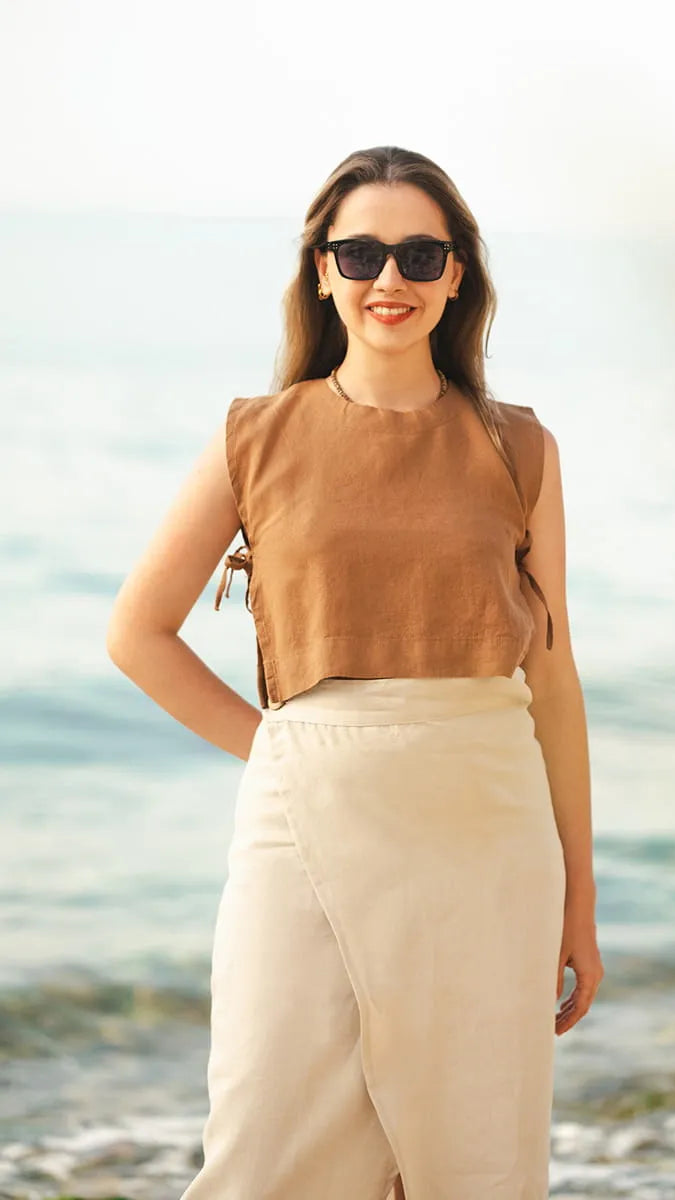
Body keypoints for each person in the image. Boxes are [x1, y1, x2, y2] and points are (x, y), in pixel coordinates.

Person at [106, 144, 603, 1200]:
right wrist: (281, 749)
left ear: (456, 275)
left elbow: (552, 685)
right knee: (268, 1144)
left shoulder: (520, 448)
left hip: (488, 836)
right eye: (362, 252)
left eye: (420, 253)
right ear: (322, 270)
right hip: (307, 817)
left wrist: (580, 903)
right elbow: (138, 633)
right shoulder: (257, 434)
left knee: (472, 1152)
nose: (390, 279)